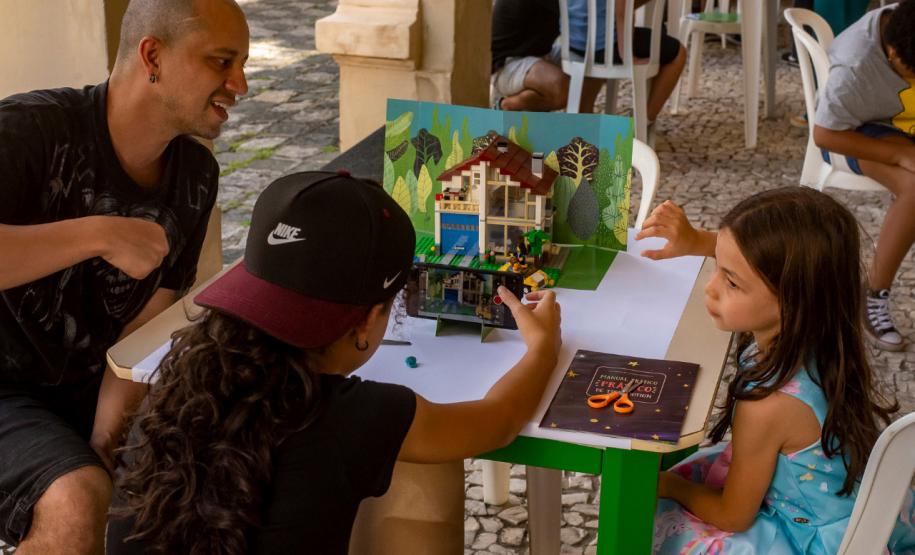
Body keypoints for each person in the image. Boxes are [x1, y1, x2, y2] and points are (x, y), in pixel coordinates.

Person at [105, 171, 562, 554]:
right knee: (426, 465)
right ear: (366, 322)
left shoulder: (172, 392)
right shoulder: (352, 417)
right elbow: (497, 422)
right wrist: (543, 347)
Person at [0, 0, 248, 552]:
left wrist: (106, 441)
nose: (241, 83)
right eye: (222, 61)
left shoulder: (194, 174)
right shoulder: (29, 130)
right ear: (152, 54)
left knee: (238, 454)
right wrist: (102, 233)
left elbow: (141, 333)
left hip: (88, 386)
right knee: (76, 496)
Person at [636, 190, 915, 553]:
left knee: (649, 513)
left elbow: (733, 516)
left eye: (731, 282)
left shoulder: (768, 406)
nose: (711, 287)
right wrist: (698, 242)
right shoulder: (821, 336)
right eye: (717, 266)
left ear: (794, 300)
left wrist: (670, 486)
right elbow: (761, 265)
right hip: (852, 505)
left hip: (812, 538)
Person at [812, 0, 915, 351]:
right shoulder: (856, 68)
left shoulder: (906, 21)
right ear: (892, 54)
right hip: (853, 134)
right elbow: (824, 135)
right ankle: (872, 295)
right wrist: (900, 154)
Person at [566, 0, 686, 119]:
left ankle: (584, 123)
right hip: (604, 46)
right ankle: (641, 121)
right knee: (679, 53)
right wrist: (628, 57)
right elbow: (623, 12)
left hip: (572, 42)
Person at [490, 0, 604, 112]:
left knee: (596, 60)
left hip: (542, 53)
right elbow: (583, 16)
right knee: (562, 89)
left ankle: (584, 120)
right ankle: (506, 105)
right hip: (506, 64)